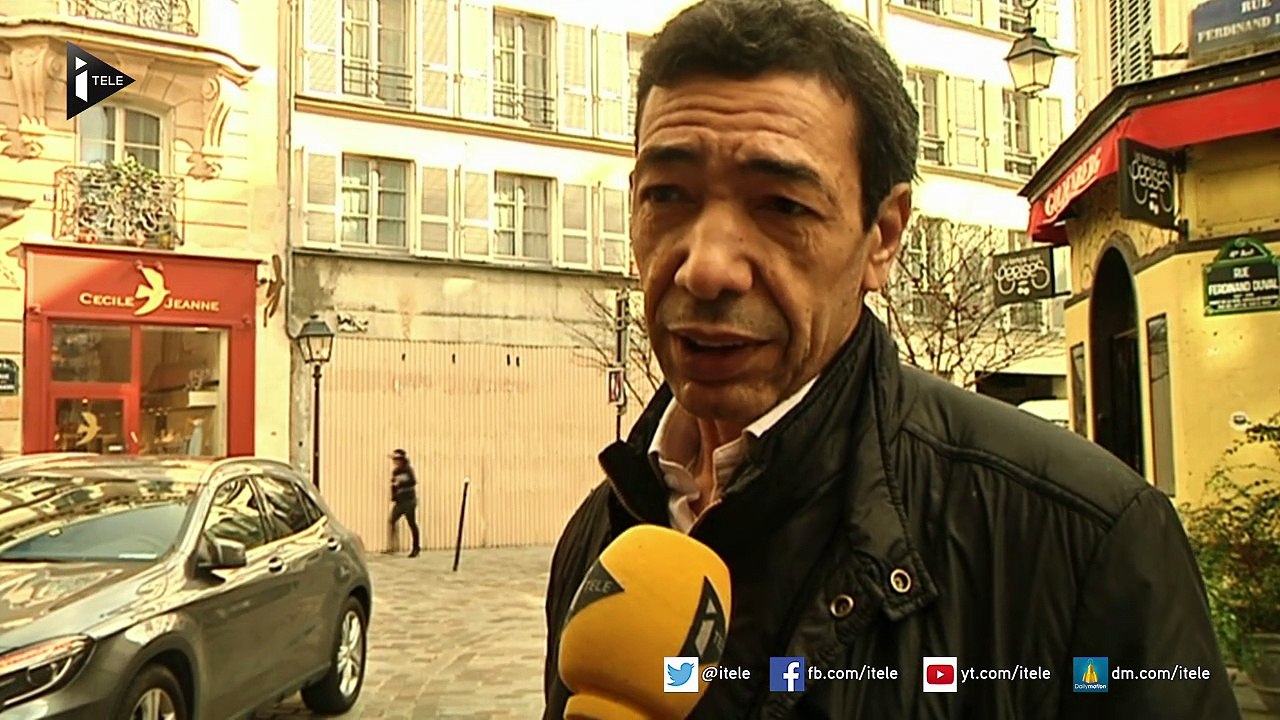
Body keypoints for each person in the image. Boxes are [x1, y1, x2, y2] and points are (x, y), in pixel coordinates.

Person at [541, 0, 1241, 717]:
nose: (706, 267)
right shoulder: (600, 537)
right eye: (666, 195)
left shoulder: (1086, 541)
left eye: (781, 206)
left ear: (882, 236)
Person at [388, 448, 420, 558]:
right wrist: (393, 495)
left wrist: (401, 483)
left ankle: (416, 548)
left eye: (396, 459)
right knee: (392, 520)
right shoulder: (395, 471)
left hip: (409, 501)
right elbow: (393, 485)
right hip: (399, 501)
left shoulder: (407, 470)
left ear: (402, 459)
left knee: (412, 523)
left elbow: (413, 482)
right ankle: (393, 547)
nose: (395, 461)